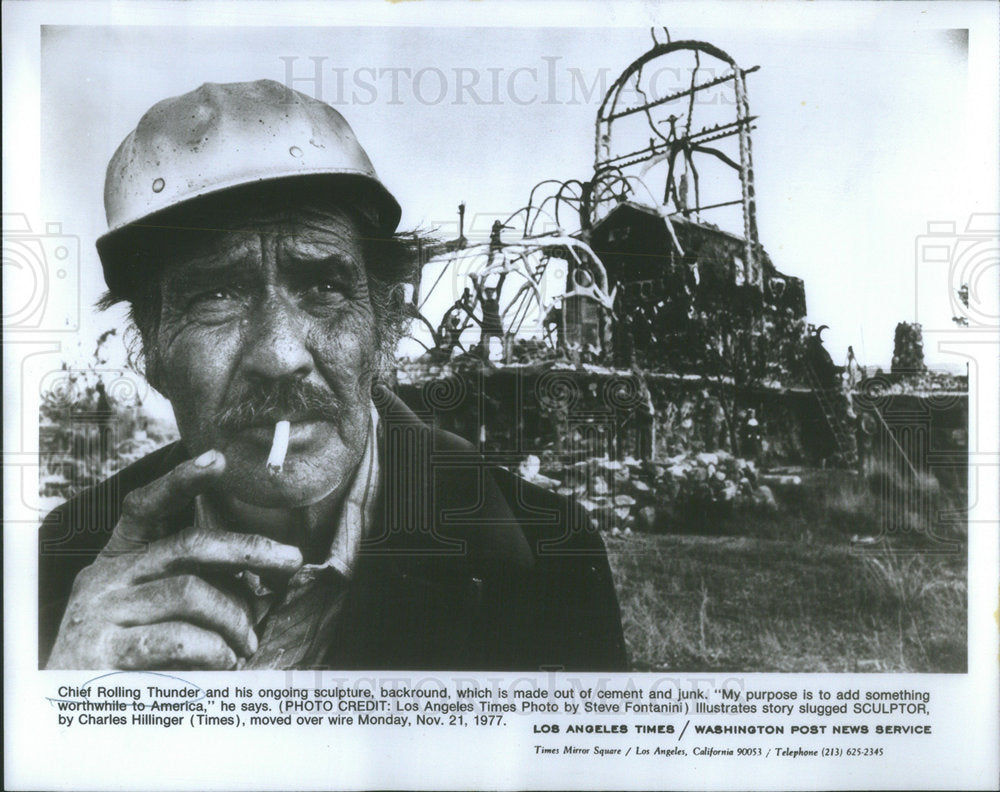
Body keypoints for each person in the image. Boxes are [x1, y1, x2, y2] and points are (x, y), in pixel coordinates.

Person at [39, 80, 626, 672]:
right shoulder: (67, 558)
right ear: (151, 348)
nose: (280, 356)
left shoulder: (545, 555)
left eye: (323, 287)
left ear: (384, 326)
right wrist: (61, 699)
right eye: (215, 295)